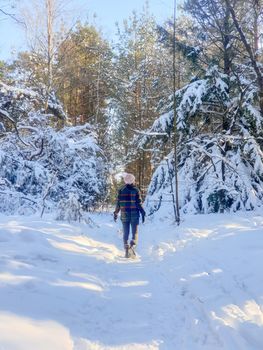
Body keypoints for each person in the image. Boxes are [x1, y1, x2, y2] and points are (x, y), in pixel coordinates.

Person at [114, 173, 145, 258]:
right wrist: (142, 212)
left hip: (124, 214)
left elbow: (118, 203)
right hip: (135, 214)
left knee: (126, 232)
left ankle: (126, 248)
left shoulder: (121, 190)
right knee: (135, 232)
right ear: (132, 181)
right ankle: (132, 245)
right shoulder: (136, 190)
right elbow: (139, 203)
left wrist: (116, 213)